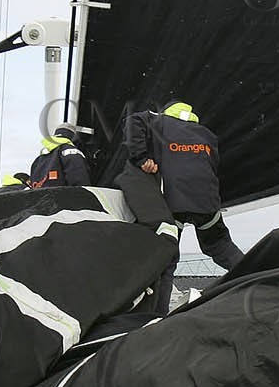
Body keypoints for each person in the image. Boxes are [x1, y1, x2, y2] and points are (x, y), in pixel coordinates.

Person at [122, 100, 243, 312]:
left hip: (173, 203)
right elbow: (212, 166)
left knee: (166, 260)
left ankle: (156, 315)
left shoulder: (158, 121)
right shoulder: (207, 135)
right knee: (220, 245)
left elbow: (133, 121)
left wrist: (141, 157)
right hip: (207, 204)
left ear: (167, 113)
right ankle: (260, 279)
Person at [26, 123, 92, 188]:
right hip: (64, 194)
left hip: (42, 195)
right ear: (73, 136)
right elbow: (79, 179)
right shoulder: (72, 152)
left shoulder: (39, 159)